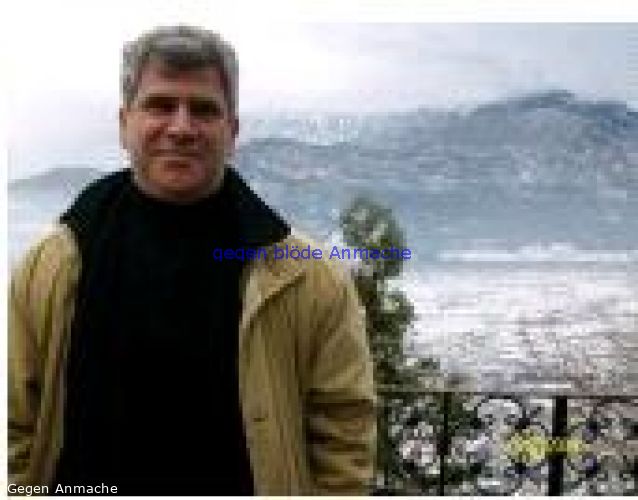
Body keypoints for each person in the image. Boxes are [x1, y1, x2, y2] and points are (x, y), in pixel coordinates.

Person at [8, 25, 376, 495]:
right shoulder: (52, 267)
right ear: (124, 123)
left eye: (203, 109)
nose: (181, 128)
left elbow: (344, 436)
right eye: (160, 105)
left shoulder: (307, 278)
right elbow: (15, 425)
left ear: (232, 131)